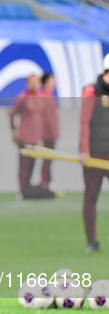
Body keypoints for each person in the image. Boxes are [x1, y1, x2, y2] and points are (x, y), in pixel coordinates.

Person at [79, 53, 109, 253]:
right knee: (91, 197)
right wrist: (84, 150)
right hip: (95, 154)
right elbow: (84, 121)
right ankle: (92, 241)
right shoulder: (92, 90)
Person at [10, 74, 45, 198]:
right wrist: (14, 131)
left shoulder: (41, 98)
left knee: (32, 164)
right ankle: (21, 189)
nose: (34, 84)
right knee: (23, 165)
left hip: (35, 139)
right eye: (32, 82)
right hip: (24, 138)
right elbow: (12, 114)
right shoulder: (23, 98)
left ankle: (28, 189)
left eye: (36, 82)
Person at [40, 72, 59, 190]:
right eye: (52, 80)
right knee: (47, 159)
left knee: (49, 159)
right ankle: (45, 182)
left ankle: (47, 181)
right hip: (47, 134)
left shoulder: (50, 96)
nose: (54, 82)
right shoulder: (44, 96)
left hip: (52, 134)